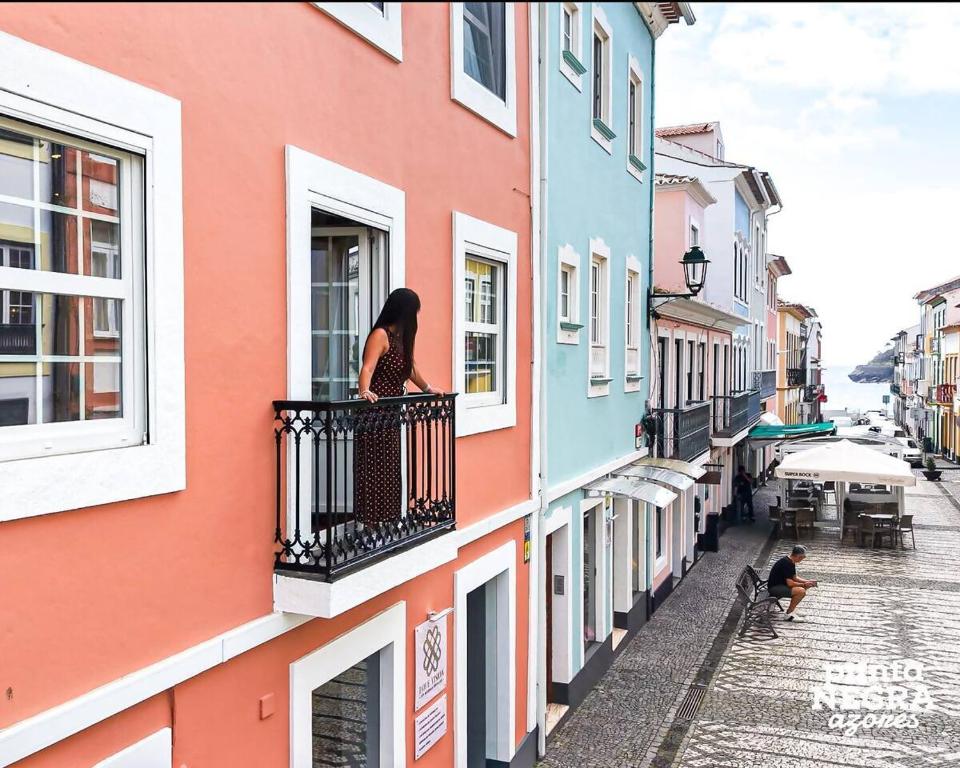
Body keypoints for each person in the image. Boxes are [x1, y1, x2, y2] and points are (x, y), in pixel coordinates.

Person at [354, 288, 443, 527]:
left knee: (389, 469)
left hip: (391, 415)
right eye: (414, 312)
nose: (415, 317)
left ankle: (384, 524)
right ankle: (370, 524)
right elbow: (368, 367)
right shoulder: (380, 335)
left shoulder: (400, 339)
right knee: (374, 470)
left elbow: (410, 369)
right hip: (375, 413)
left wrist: (427, 389)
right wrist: (364, 390)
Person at [766, 545, 817, 621]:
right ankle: (788, 614)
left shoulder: (790, 561)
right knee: (801, 591)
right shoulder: (787, 564)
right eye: (803, 557)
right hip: (774, 588)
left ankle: (792, 609)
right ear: (798, 556)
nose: (803, 559)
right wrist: (804, 584)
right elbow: (790, 583)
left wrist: (807, 581)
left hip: (780, 585)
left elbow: (794, 577)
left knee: (804, 587)